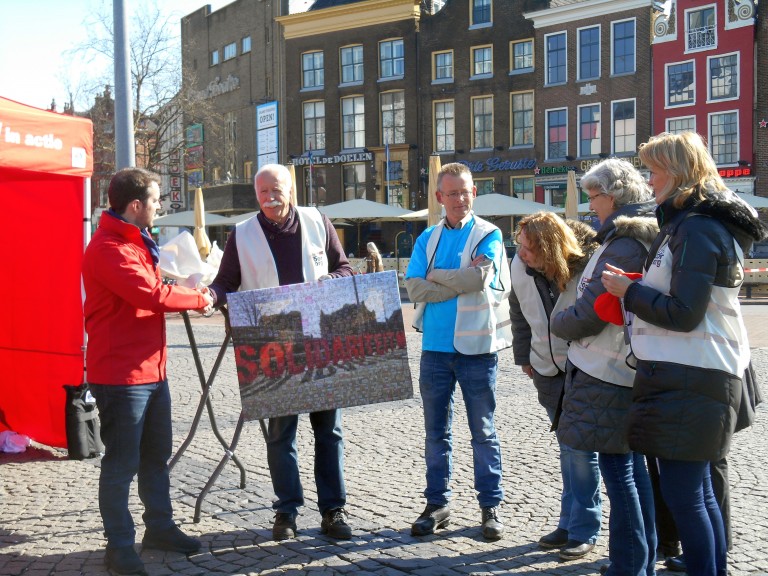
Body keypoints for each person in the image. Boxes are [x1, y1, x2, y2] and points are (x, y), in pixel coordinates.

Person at [601, 132, 766, 576]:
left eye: (654, 170)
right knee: (697, 493)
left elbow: (684, 312)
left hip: (694, 374)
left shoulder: (695, 227)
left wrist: (629, 290)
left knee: (687, 495)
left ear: (676, 172)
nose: (649, 180)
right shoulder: (694, 224)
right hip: (694, 372)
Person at [207, 164, 354, 541]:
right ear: (256, 195)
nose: (270, 198)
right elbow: (226, 282)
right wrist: (210, 295)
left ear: (291, 190)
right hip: (273, 344)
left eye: (276, 190)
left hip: (319, 339)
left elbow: (345, 268)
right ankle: (286, 511)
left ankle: (333, 511)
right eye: (263, 193)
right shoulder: (241, 234)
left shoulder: (317, 221)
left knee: (329, 431)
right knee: (280, 435)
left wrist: (331, 280)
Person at [83, 168, 213, 576]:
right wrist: (198, 297)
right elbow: (150, 294)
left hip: (151, 370)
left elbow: (152, 293)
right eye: (155, 200)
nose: (160, 205)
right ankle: (118, 546)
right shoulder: (109, 248)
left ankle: (159, 527)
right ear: (135, 205)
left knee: (156, 456)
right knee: (121, 463)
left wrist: (191, 287)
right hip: (122, 375)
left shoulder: (135, 242)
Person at [551, 158, 659, 573]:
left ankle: (630, 564)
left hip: (607, 371)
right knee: (630, 470)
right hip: (618, 368)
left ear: (611, 196)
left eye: (593, 196)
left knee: (621, 473)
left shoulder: (624, 241)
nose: (590, 205)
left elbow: (592, 309)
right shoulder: (632, 236)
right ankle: (640, 559)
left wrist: (557, 324)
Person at [405, 162, 512, 541]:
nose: (460, 199)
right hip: (434, 348)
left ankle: (490, 505)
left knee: (483, 432)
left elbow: (481, 277)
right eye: (452, 193)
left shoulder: (489, 233)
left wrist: (437, 276)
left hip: (476, 348)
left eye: (465, 191)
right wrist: (457, 281)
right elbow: (413, 288)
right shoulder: (427, 238)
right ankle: (437, 504)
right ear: (439, 197)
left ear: (474, 193)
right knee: (436, 434)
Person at [508, 212, 603, 554]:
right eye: (519, 246)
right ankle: (569, 522)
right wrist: (524, 357)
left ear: (549, 248)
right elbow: (518, 313)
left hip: (583, 369)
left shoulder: (585, 269)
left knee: (580, 452)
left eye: (528, 248)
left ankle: (583, 528)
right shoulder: (519, 267)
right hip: (546, 370)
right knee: (568, 451)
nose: (521, 254)